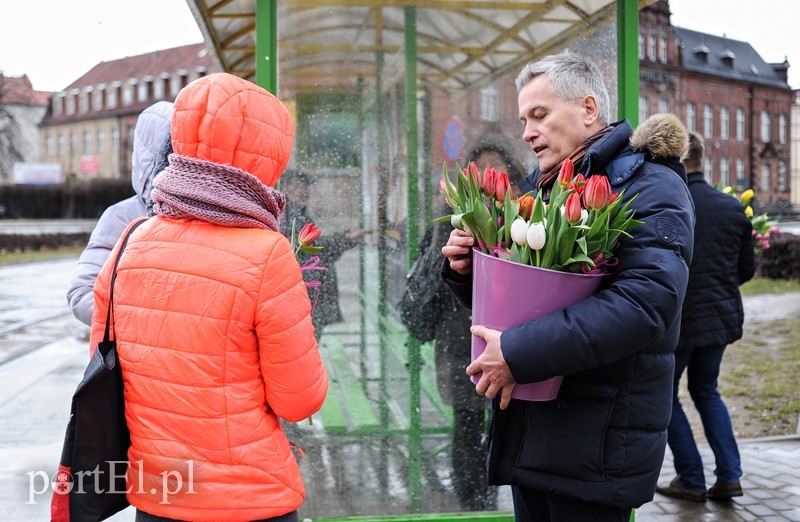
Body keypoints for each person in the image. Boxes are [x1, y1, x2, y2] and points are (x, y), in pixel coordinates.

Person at [441, 50, 694, 521]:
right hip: (538, 431)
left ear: (589, 109)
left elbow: (646, 303)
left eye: (539, 115)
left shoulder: (650, 184)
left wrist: (518, 352)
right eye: (522, 119)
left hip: (594, 441)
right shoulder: (542, 188)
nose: (527, 132)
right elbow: (523, 296)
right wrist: (469, 271)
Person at [89, 72, 328, 521]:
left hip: (160, 495)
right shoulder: (267, 254)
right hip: (251, 499)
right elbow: (300, 400)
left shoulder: (130, 242)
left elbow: (108, 371)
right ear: (271, 155)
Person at [422, 135, 526, 511]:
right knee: (465, 425)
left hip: (508, 335)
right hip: (457, 335)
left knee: (502, 420)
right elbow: (439, 272)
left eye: (496, 169)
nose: (488, 176)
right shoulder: (451, 213)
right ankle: (473, 502)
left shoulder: (525, 212)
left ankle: (494, 492)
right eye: (481, 169)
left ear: (511, 174)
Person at [656, 132, 755, 503]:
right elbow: (745, 270)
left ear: (677, 159)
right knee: (707, 391)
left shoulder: (669, 204)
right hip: (719, 320)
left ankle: (690, 477)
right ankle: (729, 476)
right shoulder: (732, 208)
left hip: (680, 322)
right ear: (703, 160)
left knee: (666, 397)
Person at [66, 100, 173, 326]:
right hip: (133, 352)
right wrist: (140, 323)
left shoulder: (204, 213)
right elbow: (82, 294)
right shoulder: (122, 216)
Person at [279, 170, 373, 340]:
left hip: (306, 294)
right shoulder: (291, 216)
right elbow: (315, 248)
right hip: (306, 293)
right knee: (306, 346)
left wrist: (345, 239)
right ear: (288, 188)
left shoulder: (294, 213)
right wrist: (345, 240)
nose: (306, 191)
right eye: (300, 186)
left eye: (307, 187)